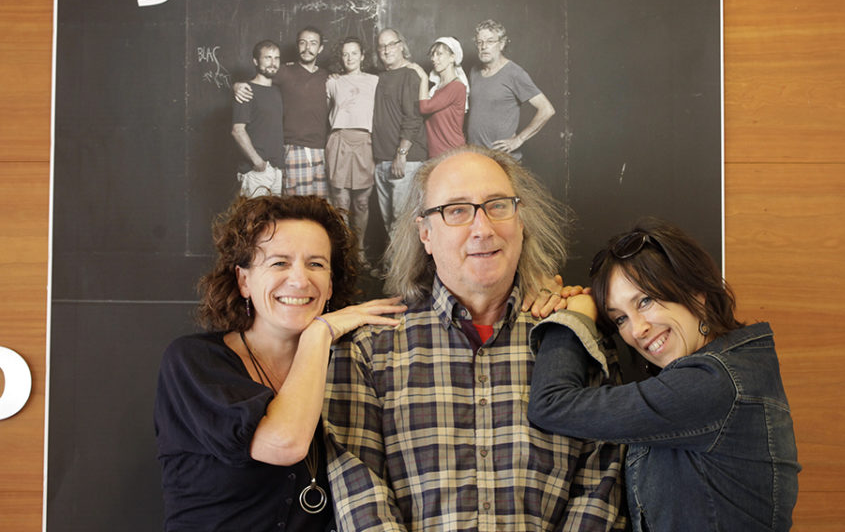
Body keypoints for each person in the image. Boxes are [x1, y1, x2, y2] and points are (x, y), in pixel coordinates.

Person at [323, 146, 626, 531]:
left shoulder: (575, 336)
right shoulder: (369, 349)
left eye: (498, 205)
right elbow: (360, 495)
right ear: (425, 234)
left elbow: (600, 483)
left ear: (521, 222)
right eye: (457, 211)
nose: (483, 228)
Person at [528, 218, 801, 531]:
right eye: (620, 320)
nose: (637, 330)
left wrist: (574, 318)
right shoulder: (729, 371)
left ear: (695, 289)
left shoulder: (713, 384)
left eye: (645, 301)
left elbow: (551, 405)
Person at [155, 195, 403, 531]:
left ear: (330, 284)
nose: (300, 280)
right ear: (244, 281)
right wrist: (318, 333)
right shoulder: (193, 362)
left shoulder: (351, 367)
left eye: (316, 264)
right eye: (279, 263)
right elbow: (284, 443)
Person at [236, 26, 331, 196]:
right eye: (303, 43)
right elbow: (260, 79)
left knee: (320, 208)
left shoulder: (327, 76)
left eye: (313, 43)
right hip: (294, 149)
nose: (307, 48)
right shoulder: (284, 71)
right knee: (295, 208)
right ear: (297, 46)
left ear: (321, 48)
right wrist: (236, 86)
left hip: (321, 150)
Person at [466, 19, 555, 161]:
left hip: (502, 160)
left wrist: (519, 139)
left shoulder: (514, 73)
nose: (484, 46)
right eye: (479, 42)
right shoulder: (474, 72)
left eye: (490, 41)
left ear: (501, 44)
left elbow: (547, 109)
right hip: (475, 158)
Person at [326, 36, 378, 268]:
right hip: (339, 139)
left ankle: (360, 250)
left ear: (362, 56)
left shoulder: (375, 81)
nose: (349, 58)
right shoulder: (333, 82)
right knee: (341, 201)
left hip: (364, 140)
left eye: (354, 53)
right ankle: (345, 251)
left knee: (362, 203)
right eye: (345, 54)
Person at [370, 28, 427, 235]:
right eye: (381, 46)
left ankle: (400, 268)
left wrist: (401, 154)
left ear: (401, 45)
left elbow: (413, 118)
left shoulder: (410, 75)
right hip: (382, 159)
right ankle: (392, 266)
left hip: (405, 160)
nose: (386, 50)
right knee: (389, 221)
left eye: (391, 44)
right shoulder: (381, 77)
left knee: (402, 221)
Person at [231, 40, 284, 196]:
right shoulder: (246, 90)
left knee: (273, 220)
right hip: (256, 171)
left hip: (276, 169)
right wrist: (257, 162)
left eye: (276, 58)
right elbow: (237, 131)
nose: (273, 63)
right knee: (254, 220)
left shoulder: (277, 91)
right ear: (255, 61)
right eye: (267, 58)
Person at [415, 36, 468, 157]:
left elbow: (424, 108)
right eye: (432, 54)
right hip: (436, 155)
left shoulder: (456, 87)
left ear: (452, 57)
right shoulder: (436, 89)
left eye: (439, 54)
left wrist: (423, 77)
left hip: (452, 154)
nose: (434, 59)